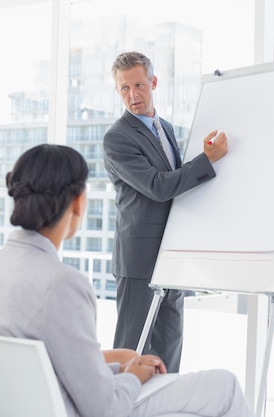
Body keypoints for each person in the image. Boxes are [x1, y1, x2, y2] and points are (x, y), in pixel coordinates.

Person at [0, 143, 253, 417]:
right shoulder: (63, 283)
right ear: (79, 202)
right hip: (77, 409)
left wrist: (120, 364)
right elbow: (106, 409)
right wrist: (132, 376)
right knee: (225, 386)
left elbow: (48, 363)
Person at [103, 51, 229, 373]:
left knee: (171, 345)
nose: (133, 95)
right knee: (132, 350)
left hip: (173, 255)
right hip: (139, 259)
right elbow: (158, 186)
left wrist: (201, 161)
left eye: (139, 85)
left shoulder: (167, 129)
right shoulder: (117, 138)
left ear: (153, 82)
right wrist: (207, 161)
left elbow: (174, 179)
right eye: (124, 88)